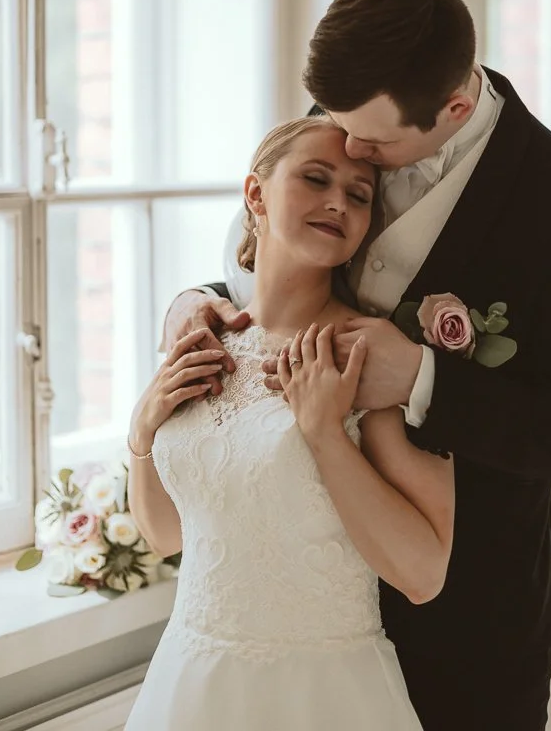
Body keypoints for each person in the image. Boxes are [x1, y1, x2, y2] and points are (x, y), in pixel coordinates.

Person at [164, 0, 551, 731]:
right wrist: (192, 299)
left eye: (372, 145)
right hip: (298, 609)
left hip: (468, 621)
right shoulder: (359, 106)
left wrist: (421, 376)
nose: (349, 148)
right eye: (334, 123)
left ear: (455, 107)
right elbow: (282, 251)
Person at [125, 116, 454, 731]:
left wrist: (326, 434)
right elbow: (168, 536)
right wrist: (141, 433)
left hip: (323, 694)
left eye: (359, 194)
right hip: (192, 679)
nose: (338, 202)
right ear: (256, 193)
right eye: (316, 179)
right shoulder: (204, 340)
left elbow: (422, 574)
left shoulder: (368, 358)